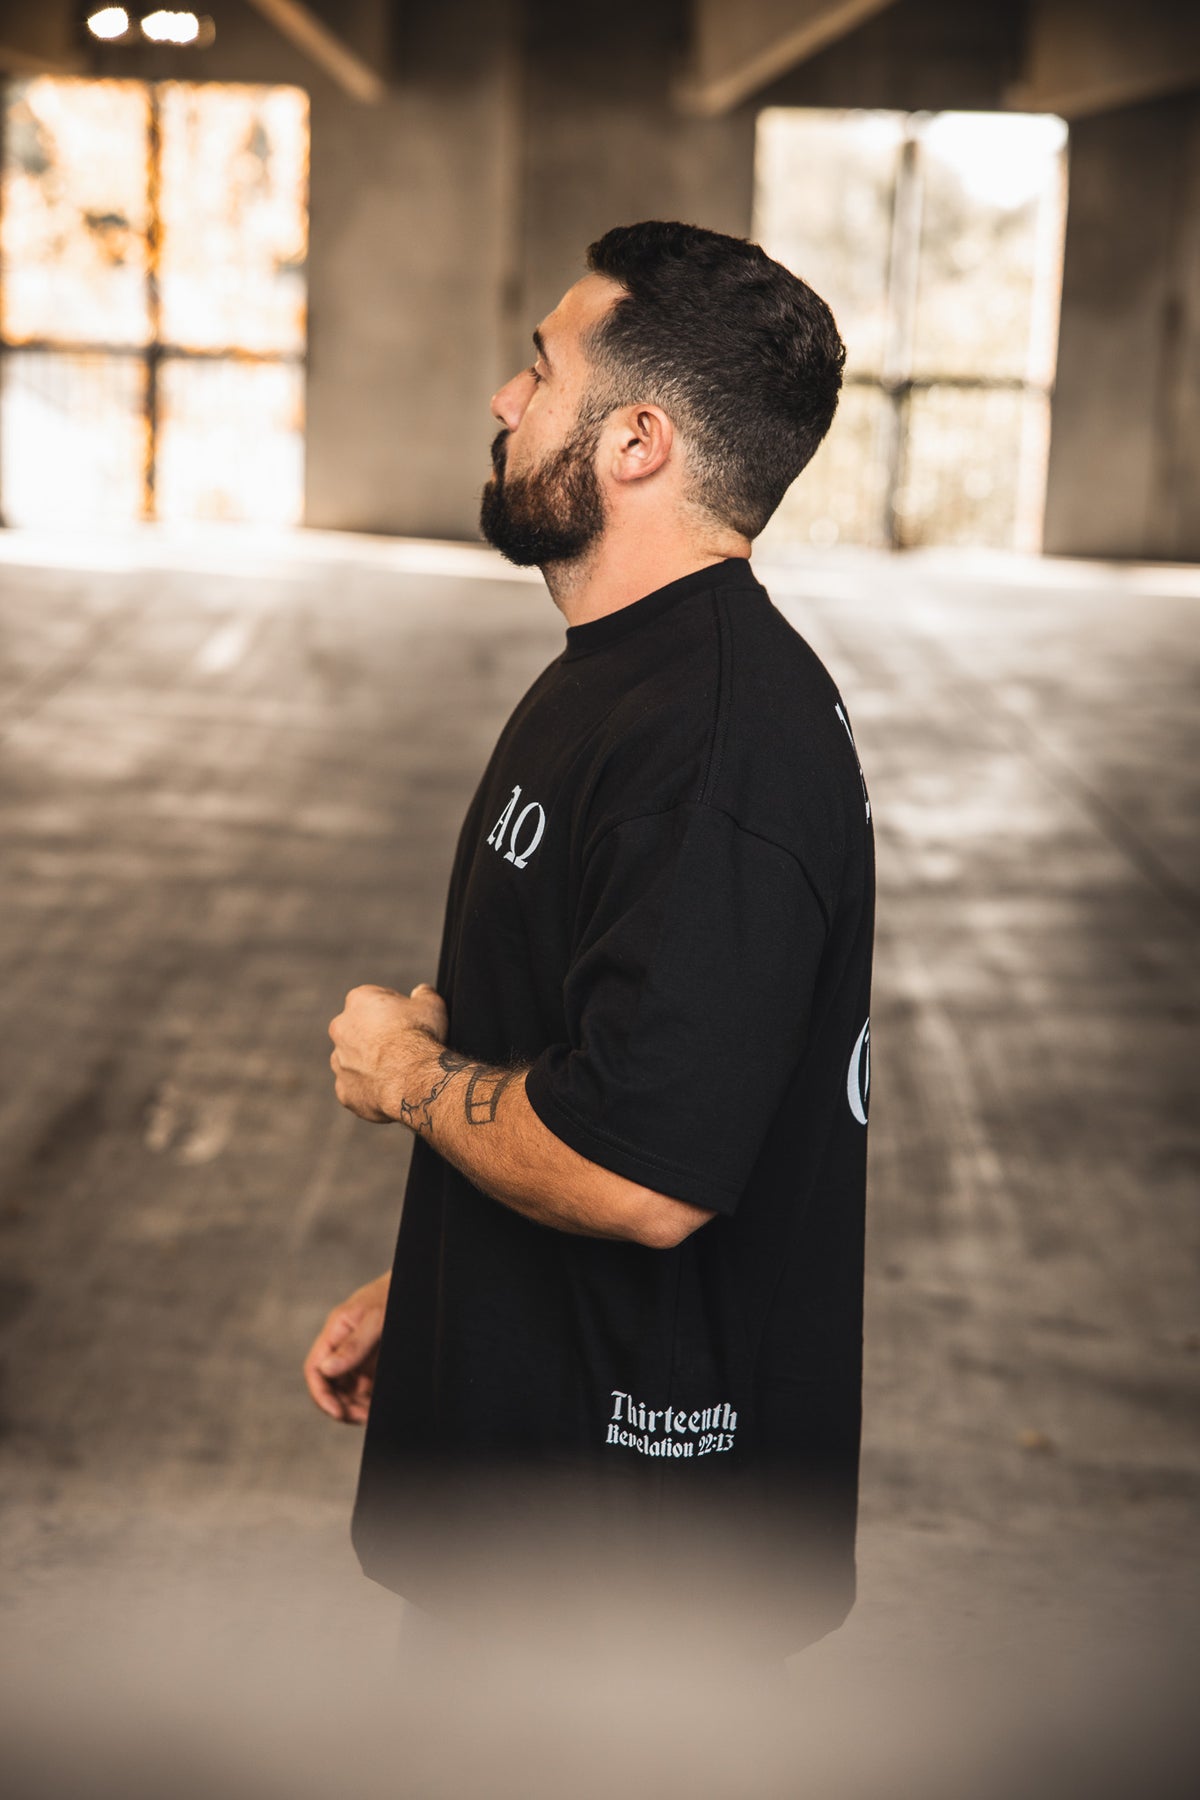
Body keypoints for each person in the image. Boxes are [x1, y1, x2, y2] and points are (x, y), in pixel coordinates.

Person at [303, 221, 874, 1658]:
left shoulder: (716, 748)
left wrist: (406, 1079)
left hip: (625, 1573)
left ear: (634, 444)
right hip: (541, 1503)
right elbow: (607, 1059)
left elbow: (640, 1172)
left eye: (540, 369)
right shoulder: (623, 680)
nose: (503, 398)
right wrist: (445, 1282)